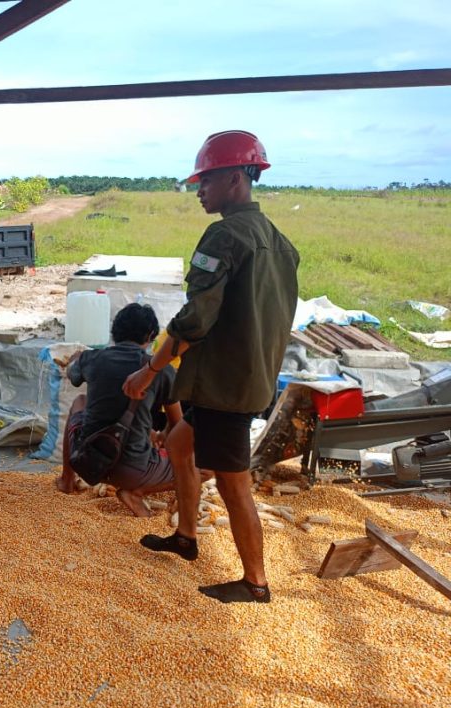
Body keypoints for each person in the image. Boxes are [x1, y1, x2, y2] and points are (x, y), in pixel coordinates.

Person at [124, 130, 299, 604]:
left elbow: (195, 319)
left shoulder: (225, 234)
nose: (199, 189)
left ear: (238, 178)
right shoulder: (281, 243)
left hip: (226, 384)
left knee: (232, 483)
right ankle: (185, 537)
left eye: (208, 179)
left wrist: (150, 370)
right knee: (181, 444)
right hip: (246, 376)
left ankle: (255, 582)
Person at [56, 303, 182, 515]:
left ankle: (67, 479)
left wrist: (78, 358)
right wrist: (161, 436)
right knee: (205, 469)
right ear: (151, 336)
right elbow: (177, 424)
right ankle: (137, 492)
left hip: (88, 462)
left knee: (79, 400)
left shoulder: (93, 358)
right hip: (133, 472)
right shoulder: (161, 370)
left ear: (114, 332)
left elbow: (72, 373)